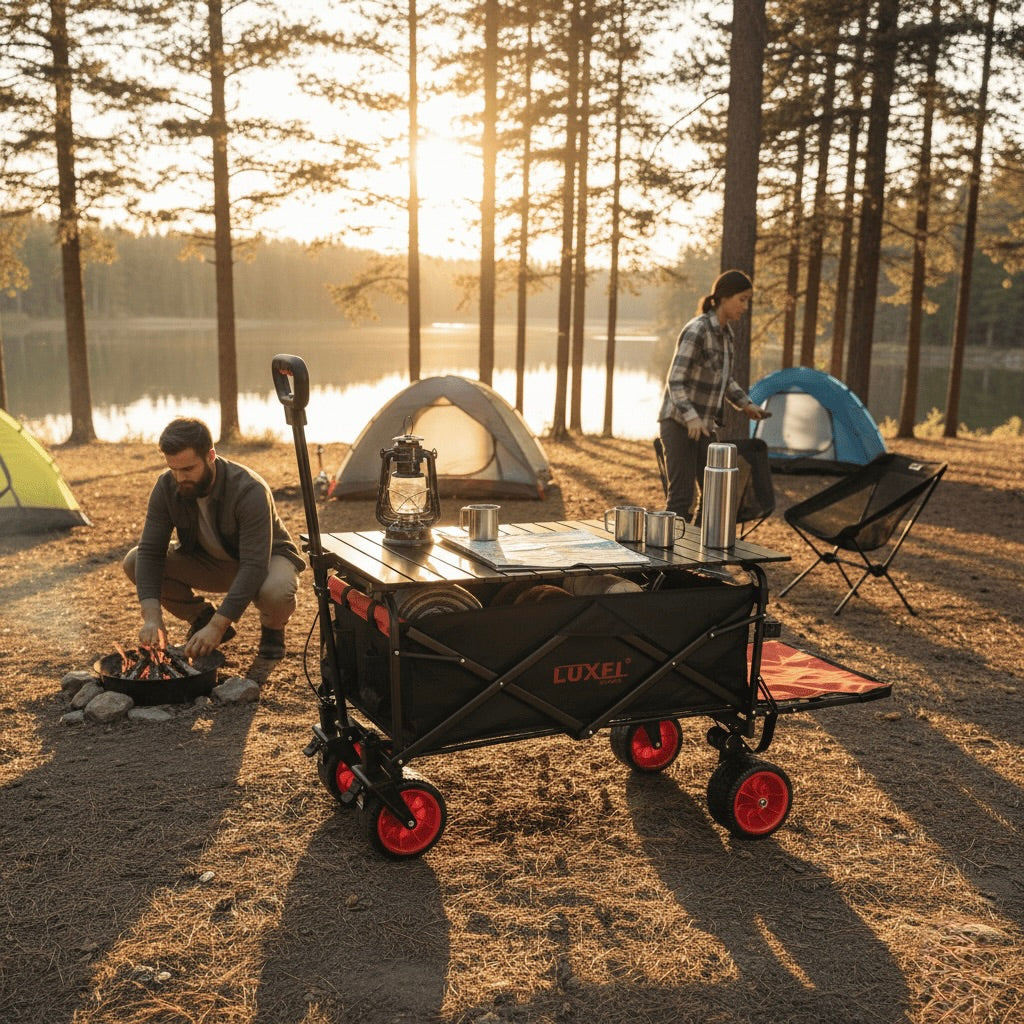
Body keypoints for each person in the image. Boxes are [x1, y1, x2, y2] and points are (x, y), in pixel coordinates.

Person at [123, 416, 305, 668]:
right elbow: (151, 552)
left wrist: (218, 627)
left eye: (188, 469)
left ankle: (273, 630)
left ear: (210, 456)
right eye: (173, 468)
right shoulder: (166, 486)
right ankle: (200, 617)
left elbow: (254, 565)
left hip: (266, 560)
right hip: (211, 562)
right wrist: (152, 618)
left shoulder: (249, 489)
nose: (179, 477)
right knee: (134, 560)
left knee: (276, 591)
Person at [657, 269, 770, 522]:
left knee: (714, 495)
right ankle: (667, 560)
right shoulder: (697, 330)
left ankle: (698, 554)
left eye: (748, 300)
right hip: (677, 423)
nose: (745, 306)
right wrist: (691, 417)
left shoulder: (726, 335)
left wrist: (746, 404)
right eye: (742, 299)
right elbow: (675, 380)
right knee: (682, 500)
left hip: (704, 427)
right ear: (724, 298)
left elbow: (724, 379)